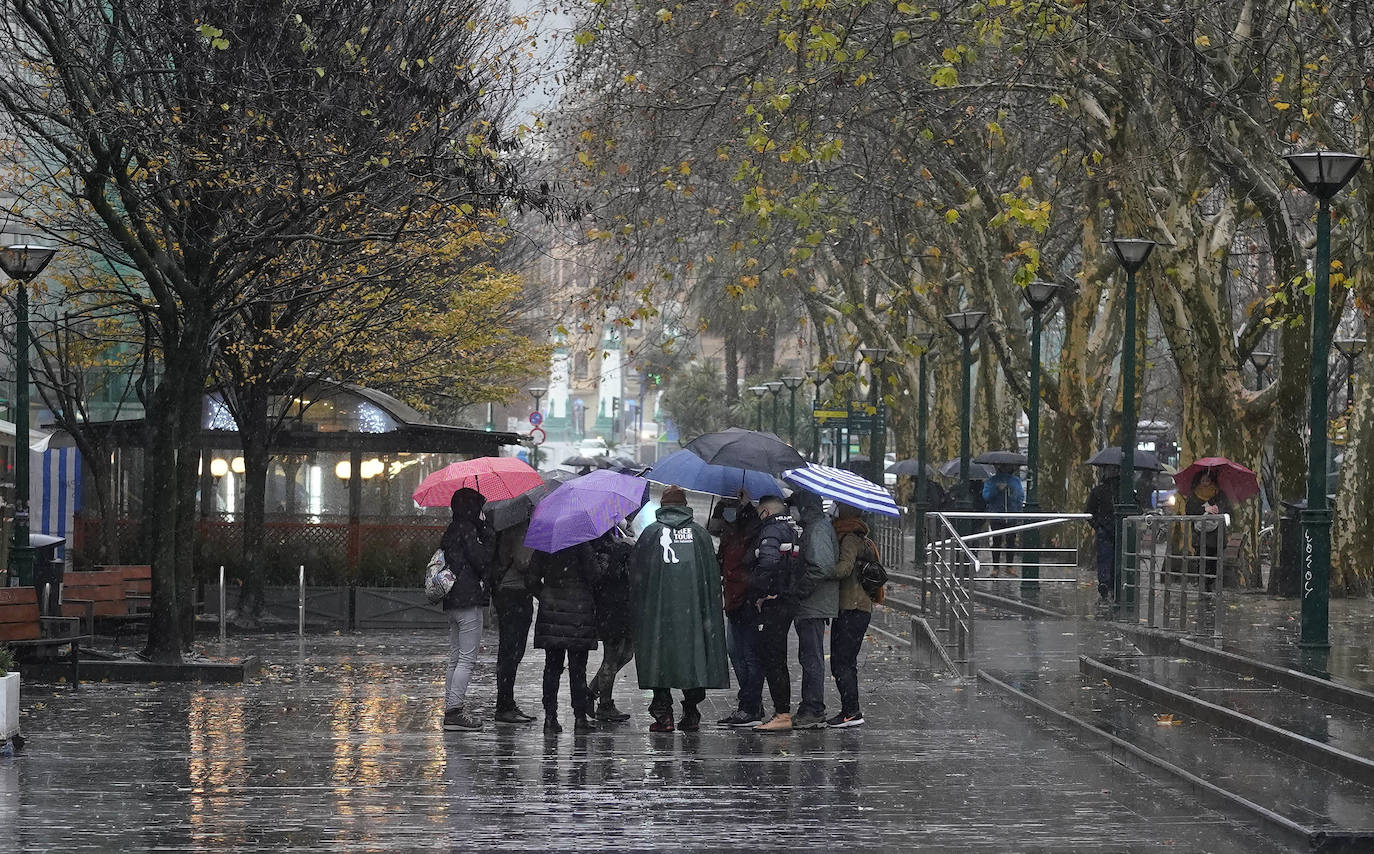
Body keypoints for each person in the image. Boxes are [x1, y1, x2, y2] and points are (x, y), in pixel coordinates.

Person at [631, 485, 730, 732]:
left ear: (663, 507)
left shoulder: (651, 533)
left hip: (658, 614)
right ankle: (691, 711)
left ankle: (663, 715)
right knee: (693, 659)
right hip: (694, 615)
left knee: (659, 659)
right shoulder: (700, 535)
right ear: (685, 506)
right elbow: (711, 574)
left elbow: (636, 573)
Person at [747, 494, 805, 732]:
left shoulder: (771, 532)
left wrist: (761, 593)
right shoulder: (793, 529)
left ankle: (782, 714)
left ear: (766, 512)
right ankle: (781, 711)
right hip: (788, 599)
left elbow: (768, 563)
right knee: (777, 656)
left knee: (773, 657)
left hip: (774, 603)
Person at [440, 487, 494, 732]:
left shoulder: (451, 530)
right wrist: (486, 533)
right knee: (466, 659)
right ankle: (454, 711)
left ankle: (451, 707)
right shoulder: (468, 530)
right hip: (468, 599)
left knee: (455, 657)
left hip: (452, 598)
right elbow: (481, 560)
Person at [532, 540, 600, 733]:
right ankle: (579, 718)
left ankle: (550, 717)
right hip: (578, 617)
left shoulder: (545, 544)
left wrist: (546, 597)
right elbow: (595, 576)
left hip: (552, 616)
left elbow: (531, 579)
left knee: (551, 668)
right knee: (578, 670)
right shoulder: (582, 544)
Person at [786, 488, 840, 730]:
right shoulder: (814, 527)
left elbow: (822, 567)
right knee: (810, 656)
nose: (791, 511)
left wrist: (801, 589)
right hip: (813, 604)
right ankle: (810, 706)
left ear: (804, 506)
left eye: (794, 505)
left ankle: (813, 708)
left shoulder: (817, 529)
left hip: (813, 604)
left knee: (811, 657)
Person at [708, 495, 764, 728]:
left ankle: (750, 707)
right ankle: (751, 702)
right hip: (733, 601)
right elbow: (723, 564)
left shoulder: (751, 533)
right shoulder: (729, 536)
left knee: (750, 656)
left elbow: (752, 566)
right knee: (736, 653)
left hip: (748, 602)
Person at [829, 503, 875, 728]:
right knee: (846, 662)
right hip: (860, 607)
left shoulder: (848, 538)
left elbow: (844, 569)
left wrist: (824, 569)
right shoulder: (863, 538)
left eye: (838, 508)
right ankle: (850, 710)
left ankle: (851, 712)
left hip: (851, 607)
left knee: (841, 663)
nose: (834, 511)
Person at [489, 518, 537, 724]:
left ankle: (506, 702)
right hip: (515, 593)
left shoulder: (504, 525)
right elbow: (522, 561)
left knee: (509, 651)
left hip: (506, 592)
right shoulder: (521, 528)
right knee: (512, 652)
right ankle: (504, 705)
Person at [588, 525, 635, 722]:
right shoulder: (596, 542)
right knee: (612, 656)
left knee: (627, 653)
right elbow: (603, 575)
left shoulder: (614, 535)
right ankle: (604, 704)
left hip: (625, 604)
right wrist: (621, 550)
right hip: (611, 606)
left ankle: (590, 692)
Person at [1183, 469, 1231, 591]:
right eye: (1203, 479)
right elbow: (1189, 511)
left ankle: (1211, 583)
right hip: (1200, 535)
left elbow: (1227, 509)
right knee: (1201, 559)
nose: (1206, 481)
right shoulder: (1193, 495)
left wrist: (1217, 509)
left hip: (1216, 535)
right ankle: (1203, 584)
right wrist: (1204, 510)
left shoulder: (1220, 494)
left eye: (1208, 479)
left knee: (1214, 560)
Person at [982, 464, 1025, 576]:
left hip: (1011, 515)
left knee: (1011, 541)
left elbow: (1020, 495)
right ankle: (995, 567)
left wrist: (1014, 501)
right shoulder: (992, 481)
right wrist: (997, 489)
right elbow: (986, 496)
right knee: (996, 541)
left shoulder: (1015, 481)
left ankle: (1009, 566)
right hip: (996, 516)